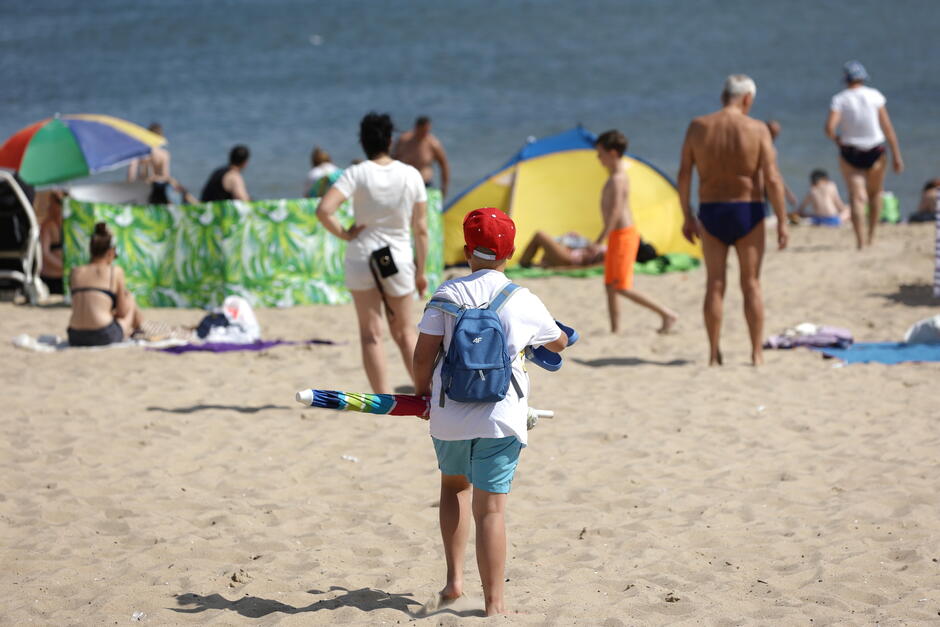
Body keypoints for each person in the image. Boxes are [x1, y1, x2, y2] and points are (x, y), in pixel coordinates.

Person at [413, 207, 568, 616]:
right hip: (502, 417)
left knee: (453, 488)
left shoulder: (447, 295)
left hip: (449, 412)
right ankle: (494, 606)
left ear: (467, 250)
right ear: (510, 253)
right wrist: (550, 337)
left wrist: (421, 395)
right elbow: (558, 344)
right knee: (492, 510)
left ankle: (454, 581)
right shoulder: (523, 298)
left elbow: (423, 355)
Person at [678, 74, 788, 366]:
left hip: (711, 209)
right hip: (747, 211)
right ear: (748, 99)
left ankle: (713, 354)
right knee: (751, 283)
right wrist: (783, 220)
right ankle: (756, 353)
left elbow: (684, 174)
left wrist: (687, 215)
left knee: (714, 284)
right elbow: (773, 179)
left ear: (724, 96)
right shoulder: (757, 129)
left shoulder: (698, 126)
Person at [316, 113, 428, 394]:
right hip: (398, 258)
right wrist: (422, 271)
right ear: (390, 140)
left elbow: (324, 210)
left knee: (370, 334)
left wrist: (345, 233)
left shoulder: (356, 173)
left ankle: (382, 399)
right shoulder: (410, 174)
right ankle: (424, 394)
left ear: (362, 142)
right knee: (405, 333)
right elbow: (422, 229)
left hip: (362, 256)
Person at [595, 130, 678, 334]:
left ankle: (667, 314)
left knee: (622, 286)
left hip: (624, 235)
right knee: (609, 285)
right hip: (617, 235)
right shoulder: (615, 175)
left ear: (613, 153)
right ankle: (615, 330)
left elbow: (615, 211)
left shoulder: (618, 178)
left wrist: (600, 239)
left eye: (601, 153)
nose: (598, 158)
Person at [825, 61, 904, 248]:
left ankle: (860, 240)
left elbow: (829, 128)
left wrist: (837, 140)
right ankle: (871, 236)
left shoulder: (840, 99)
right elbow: (887, 127)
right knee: (875, 194)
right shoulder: (875, 96)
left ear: (846, 79)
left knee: (856, 197)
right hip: (875, 150)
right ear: (863, 78)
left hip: (851, 151)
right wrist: (897, 155)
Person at [67, 222, 142, 346]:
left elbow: (82, 305)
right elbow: (122, 312)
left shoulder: (75, 272)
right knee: (130, 299)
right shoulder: (115, 271)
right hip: (102, 334)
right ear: (110, 253)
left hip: (75, 336)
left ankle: (141, 328)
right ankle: (141, 329)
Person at [127, 123, 195, 204]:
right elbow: (165, 176)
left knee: (175, 185)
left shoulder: (141, 153)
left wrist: (130, 185)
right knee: (180, 188)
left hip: (144, 185)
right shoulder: (164, 154)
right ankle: (197, 205)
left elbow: (131, 173)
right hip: (158, 186)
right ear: (160, 137)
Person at [392, 116, 450, 196]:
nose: (425, 134)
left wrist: (444, 186)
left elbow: (444, 164)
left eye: (427, 131)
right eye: (423, 131)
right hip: (405, 185)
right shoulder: (403, 141)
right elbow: (392, 160)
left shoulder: (433, 144)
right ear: (416, 127)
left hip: (425, 184)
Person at [764, 120, 800, 218]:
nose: (775, 136)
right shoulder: (769, 148)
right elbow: (775, 174)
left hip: (764, 187)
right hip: (761, 187)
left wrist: (787, 194)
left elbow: (776, 173)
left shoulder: (769, 148)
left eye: (777, 133)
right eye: (773, 133)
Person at [518, 230, 605, 268]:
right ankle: (528, 264)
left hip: (570, 259)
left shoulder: (608, 255)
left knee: (540, 235)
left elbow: (588, 268)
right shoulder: (610, 249)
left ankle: (523, 264)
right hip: (571, 252)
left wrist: (560, 269)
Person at [38, 190, 65, 294]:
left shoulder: (70, 226)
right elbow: (44, 253)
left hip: (63, 277)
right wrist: (63, 266)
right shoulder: (48, 226)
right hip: (50, 277)